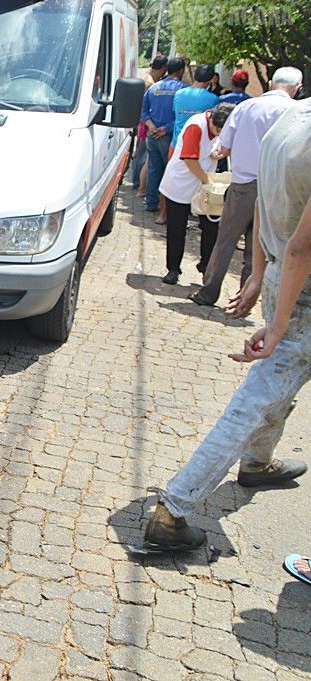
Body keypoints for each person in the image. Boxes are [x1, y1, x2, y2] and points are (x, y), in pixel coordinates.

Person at [141, 97, 311, 552]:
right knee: (260, 393)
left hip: (283, 276)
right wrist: (276, 325)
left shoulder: (290, 120)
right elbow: (302, 247)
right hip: (301, 290)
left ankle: (257, 462)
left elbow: (256, 203)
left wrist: (258, 273)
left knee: (276, 387)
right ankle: (174, 509)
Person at [190, 67, 304, 306]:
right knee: (258, 247)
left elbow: (225, 146)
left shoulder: (246, 108)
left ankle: (208, 293)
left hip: (243, 185)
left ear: (271, 83)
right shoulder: (296, 113)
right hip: (275, 189)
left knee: (226, 240)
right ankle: (245, 297)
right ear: (298, 89)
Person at [158, 102, 235, 285]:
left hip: (204, 185)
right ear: (213, 122)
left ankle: (206, 265)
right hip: (182, 182)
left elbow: (224, 148)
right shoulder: (196, 125)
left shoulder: (223, 126)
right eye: (219, 131)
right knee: (176, 228)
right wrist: (207, 181)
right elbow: (189, 159)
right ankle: (173, 269)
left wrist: (220, 154)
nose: (220, 134)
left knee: (210, 228)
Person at [141, 57, 187, 222]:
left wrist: (152, 126)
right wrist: (166, 129)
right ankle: (166, 208)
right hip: (170, 137)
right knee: (170, 172)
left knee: (154, 168)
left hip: (152, 134)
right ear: (181, 70)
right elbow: (184, 116)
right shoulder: (184, 90)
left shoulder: (154, 87)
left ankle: (151, 202)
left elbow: (143, 111)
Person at [133, 56, 168, 191]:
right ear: (162, 68)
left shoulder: (146, 77)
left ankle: (137, 181)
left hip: (142, 120)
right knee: (143, 154)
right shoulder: (150, 83)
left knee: (140, 152)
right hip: (145, 122)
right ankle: (138, 184)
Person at [171, 63, 220, 147]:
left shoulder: (179, 94)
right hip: (197, 146)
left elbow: (175, 114)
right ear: (211, 79)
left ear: (194, 75)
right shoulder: (214, 99)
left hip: (177, 144)